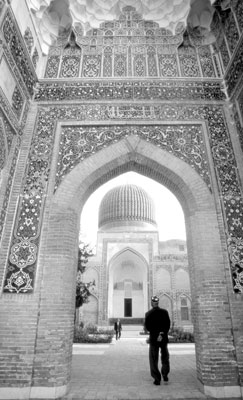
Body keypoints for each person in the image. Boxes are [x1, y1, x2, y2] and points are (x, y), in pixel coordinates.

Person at [144, 296, 171, 386]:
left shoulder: (148, 314)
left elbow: (148, 328)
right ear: (158, 302)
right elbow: (167, 325)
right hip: (163, 339)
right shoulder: (164, 312)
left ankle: (157, 379)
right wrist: (161, 334)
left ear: (152, 303)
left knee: (153, 359)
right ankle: (165, 375)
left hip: (154, 339)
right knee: (165, 357)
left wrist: (156, 335)